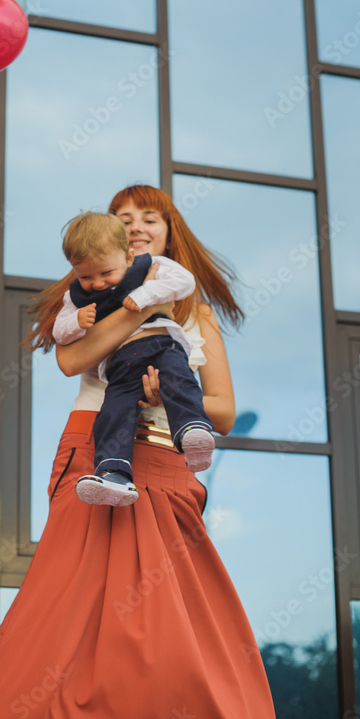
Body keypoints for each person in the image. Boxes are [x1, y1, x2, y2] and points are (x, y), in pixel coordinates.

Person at [0, 186, 283, 719]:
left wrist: (176, 384)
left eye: (150, 217)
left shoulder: (194, 311)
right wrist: (139, 311)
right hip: (95, 457)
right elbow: (71, 360)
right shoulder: (86, 299)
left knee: (168, 631)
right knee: (63, 608)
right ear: (108, 235)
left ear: (168, 233)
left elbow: (222, 410)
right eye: (124, 218)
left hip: (167, 462)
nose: (137, 226)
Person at [53, 210, 215, 506]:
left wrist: (146, 294)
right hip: (121, 368)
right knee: (114, 411)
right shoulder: (77, 296)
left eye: (149, 220)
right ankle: (114, 475)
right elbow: (61, 336)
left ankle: (193, 430)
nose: (98, 284)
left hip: (161, 347)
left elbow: (184, 281)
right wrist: (76, 320)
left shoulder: (151, 267)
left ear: (127, 256)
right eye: (125, 222)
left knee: (179, 382)